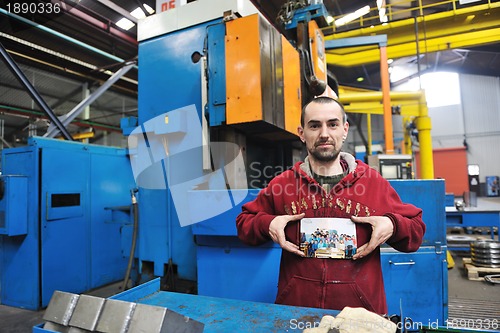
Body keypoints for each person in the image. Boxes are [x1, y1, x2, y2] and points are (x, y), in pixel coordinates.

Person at [236, 96, 425, 315]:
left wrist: (392, 225)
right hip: (296, 313)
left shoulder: (373, 183)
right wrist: (267, 224)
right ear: (302, 133)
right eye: (314, 126)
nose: (324, 134)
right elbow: (244, 223)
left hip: (359, 317)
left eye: (332, 124)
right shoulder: (283, 184)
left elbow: (416, 230)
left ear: (344, 130)